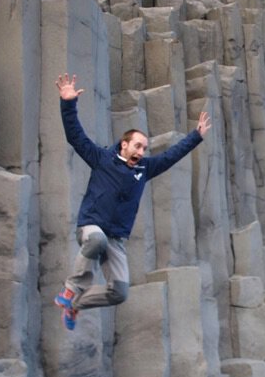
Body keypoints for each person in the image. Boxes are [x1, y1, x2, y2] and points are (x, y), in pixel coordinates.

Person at [53, 73, 211, 330]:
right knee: (96, 239)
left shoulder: (145, 169)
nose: (140, 152)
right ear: (124, 144)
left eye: (144, 149)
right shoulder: (101, 158)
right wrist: (68, 103)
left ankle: (75, 305)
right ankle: (70, 289)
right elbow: (75, 136)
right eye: (136, 146)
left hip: (116, 238)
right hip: (91, 227)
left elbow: (170, 156)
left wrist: (196, 137)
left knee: (120, 292)